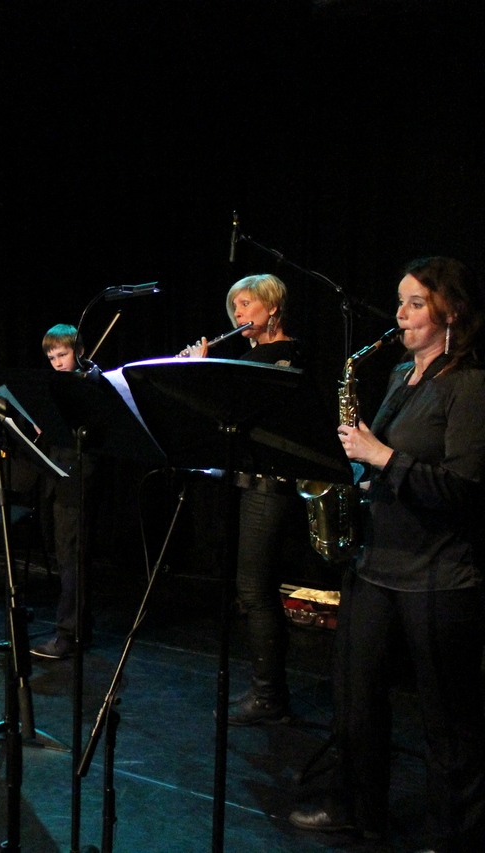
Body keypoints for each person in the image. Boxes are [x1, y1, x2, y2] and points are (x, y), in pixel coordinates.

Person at [290, 257, 485, 850]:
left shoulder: (470, 384)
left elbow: (465, 490)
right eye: (400, 302)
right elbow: (380, 462)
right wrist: (356, 473)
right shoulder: (402, 374)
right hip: (375, 562)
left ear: (451, 311)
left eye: (415, 303)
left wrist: (382, 458)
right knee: (356, 699)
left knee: (446, 720)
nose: (400, 314)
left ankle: (450, 834)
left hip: (438, 575)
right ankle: (356, 807)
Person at [180, 274, 306, 724]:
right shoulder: (250, 358)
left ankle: (269, 696)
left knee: (255, 589)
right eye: (235, 307)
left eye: (247, 304)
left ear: (272, 308)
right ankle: (268, 690)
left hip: (270, 484)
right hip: (247, 480)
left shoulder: (283, 356)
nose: (238, 314)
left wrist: (200, 370)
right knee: (250, 587)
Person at [31, 325, 88, 660]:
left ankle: (69, 634)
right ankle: (76, 629)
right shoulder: (58, 386)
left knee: (71, 560)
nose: (57, 363)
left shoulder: (89, 383)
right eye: (52, 358)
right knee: (66, 556)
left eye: (63, 354)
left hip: (77, 478)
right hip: (58, 477)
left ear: (79, 351)